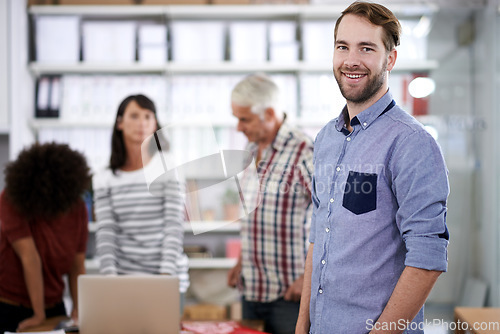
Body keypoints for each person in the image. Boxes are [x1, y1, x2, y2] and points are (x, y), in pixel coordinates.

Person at [295, 2, 450, 334]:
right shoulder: (326, 139)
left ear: (390, 58)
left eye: (366, 48)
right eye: (343, 47)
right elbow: (317, 238)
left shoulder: (411, 143)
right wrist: (301, 326)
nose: (351, 59)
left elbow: (428, 257)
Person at [227, 73, 314, 334]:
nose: (239, 127)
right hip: (251, 289)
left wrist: (308, 279)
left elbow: (331, 220)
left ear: (269, 113)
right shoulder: (251, 149)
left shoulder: (304, 151)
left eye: (244, 119)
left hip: (289, 294)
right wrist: (242, 260)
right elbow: (253, 212)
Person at [92, 94, 189, 304]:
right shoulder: (104, 178)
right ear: (120, 123)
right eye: (134, 116)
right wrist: (110, 279)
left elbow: (173, 226)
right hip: (123, 282)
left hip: (167, 279)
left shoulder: (169, 166)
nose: (142, 123)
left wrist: (165, 279)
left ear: (155, 123)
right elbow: (106, 232)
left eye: (148, 116)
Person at [0, 142, 91, 333]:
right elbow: (29, 257)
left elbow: (77, 265)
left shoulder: (77, 208)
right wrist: (38, 314)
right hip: (8, 306)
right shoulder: (11, 199)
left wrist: (79, 308)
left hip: (54, 306)